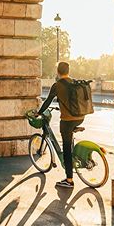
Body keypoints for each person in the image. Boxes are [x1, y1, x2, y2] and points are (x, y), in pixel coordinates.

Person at [37, 61, 84, 189]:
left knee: (66, 150)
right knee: (69, 141)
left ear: (58, 71)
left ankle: (69, 180)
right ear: (68, 71)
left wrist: (39, 113)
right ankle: (73, 161)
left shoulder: (57, 85)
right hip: (80, 118)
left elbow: (47, 101)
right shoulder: (74, 82)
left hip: (68, 121)